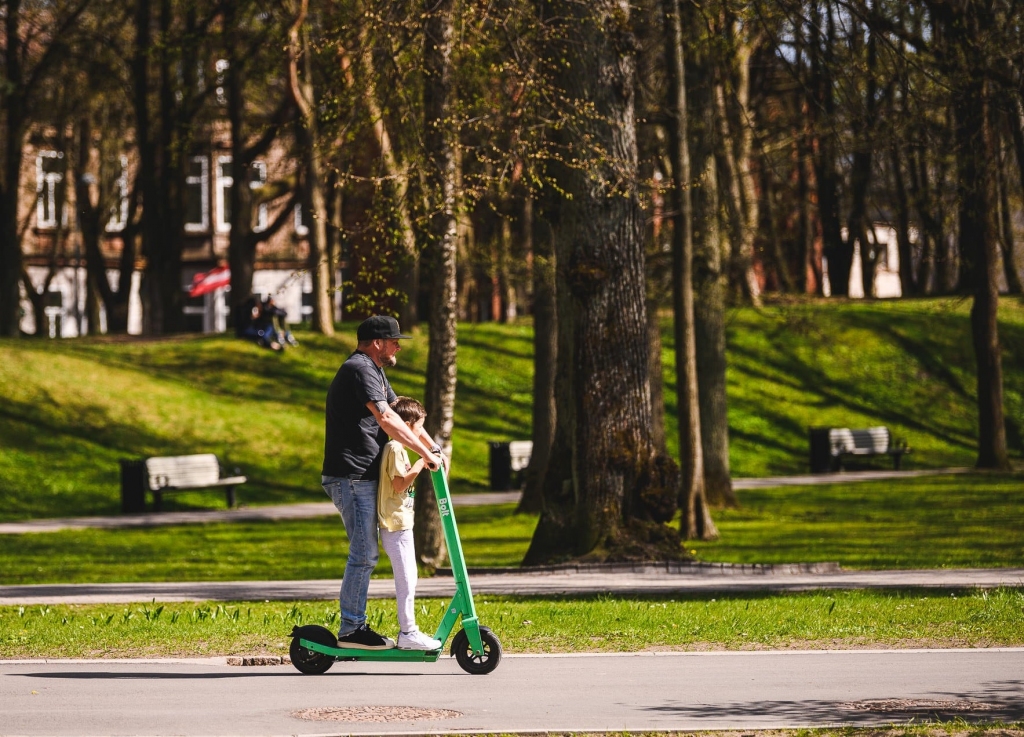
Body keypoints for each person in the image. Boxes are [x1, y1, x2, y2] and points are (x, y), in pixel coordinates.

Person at [322, 315, 443, 649]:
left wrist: (432, 449)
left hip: (362, 477)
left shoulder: (374, 371)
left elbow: (403, 414)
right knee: (364, 554)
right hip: (351, 476)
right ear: (377, 342)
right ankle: (351, 629)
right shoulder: (359, 369)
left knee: (369, 552)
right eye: (394, 341)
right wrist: (424, 453)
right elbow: (387, 419)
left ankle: (383, 629)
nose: (398, 347)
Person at [378, 396, 444, 651]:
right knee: (406, 579)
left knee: (411, 578)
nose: (420, 435)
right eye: (418, 428)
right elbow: (398, 485)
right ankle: (408, 633)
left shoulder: (400, 449)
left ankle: (410, 631)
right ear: (406, 425)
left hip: (402, 524)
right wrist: (420, 461)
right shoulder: (395, 448)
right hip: (394, 526)